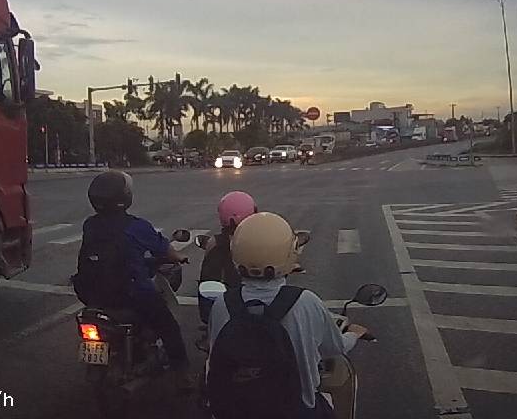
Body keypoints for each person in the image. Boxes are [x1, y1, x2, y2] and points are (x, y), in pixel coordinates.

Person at [206, 212, 368, 418]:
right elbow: (334, 347)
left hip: (238, 411)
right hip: (296, 411)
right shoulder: (305, 302)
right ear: (290, 253)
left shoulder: (222, 304)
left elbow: (215, 353)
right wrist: (354, 334)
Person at [71, 170, 193, 389]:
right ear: (124, 197)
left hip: (92, 294)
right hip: (131, 295)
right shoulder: (136, 226)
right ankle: (182, 373)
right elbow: (165, 250)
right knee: (168, 325)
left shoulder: (90, 224)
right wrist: (179, 257)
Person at [197, 191, 257, 324]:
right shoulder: (259, 242)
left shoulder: (215, 243)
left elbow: (206, 273)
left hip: (219, 307)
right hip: (252, 303)